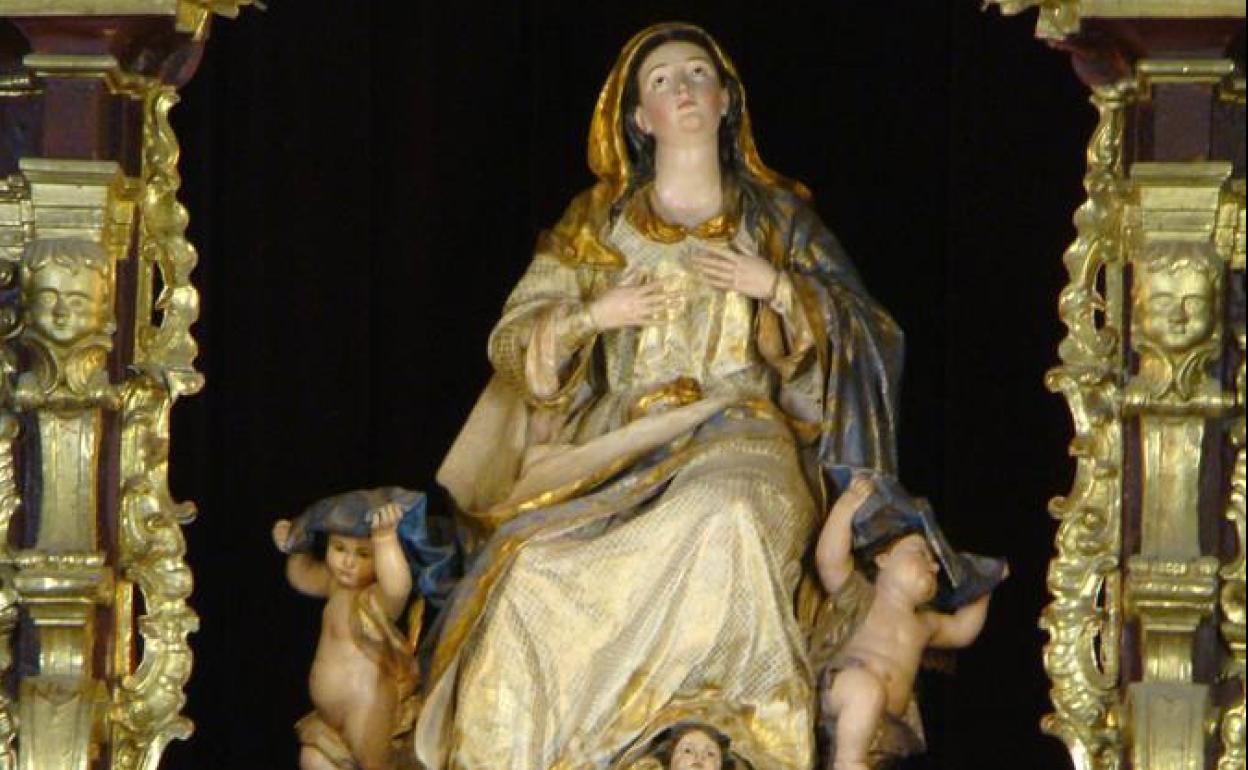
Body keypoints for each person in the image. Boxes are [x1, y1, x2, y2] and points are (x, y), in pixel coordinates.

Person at [417, 22, 904, 770]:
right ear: (639, 118)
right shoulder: (597, 224)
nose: (683, 88)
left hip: (742, 436)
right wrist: (592, 316)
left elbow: (870, 335)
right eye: (662, 79)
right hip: (617, 451)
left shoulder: (777, 220)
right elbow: (513, 342)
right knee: (526, 575)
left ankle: (726, 734)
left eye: (697, 73)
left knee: (727, 517)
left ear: (725, 99)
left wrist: (778, 288)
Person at [813, 476, 1006, 770]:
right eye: (920, 554)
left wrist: (983, 584)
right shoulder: (861, 596)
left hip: (886, 727)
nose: (933, 566)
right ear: (883, 559)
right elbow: (829, 561)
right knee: (866, 692)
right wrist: (846, 506)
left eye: (935, 565)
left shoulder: (924, 624)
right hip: (844, 691)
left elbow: (962, 631)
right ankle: (847, 762)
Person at [273, 497, 418, 770]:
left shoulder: (376, 599)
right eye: (339, 548)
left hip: (366, 707)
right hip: (328, 716)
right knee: (313, 759)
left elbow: (398, 587)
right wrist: (296, 545)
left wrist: (385, 539)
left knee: (373, 763)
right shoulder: (334, 585)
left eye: (363, 554)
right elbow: (302, 577)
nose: (348, 562)